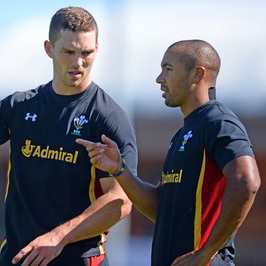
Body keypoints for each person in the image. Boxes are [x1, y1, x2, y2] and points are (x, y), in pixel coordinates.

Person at [0, 6, 138, 266]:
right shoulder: (20, 106)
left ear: (97, 49)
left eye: (86, 53)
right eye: (69, 52)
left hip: (78, 259)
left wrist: (58, 238)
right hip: (18, 258)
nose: (78, 62)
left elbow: (120, 202)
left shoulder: (109, 117)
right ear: (49, 49)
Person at [76, 39, 261, 266]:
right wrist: (119, 169)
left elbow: (246, 181)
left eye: (168, 69)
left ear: (197, 74)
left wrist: (206, 252)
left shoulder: (219, 122)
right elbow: (160, 209)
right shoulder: (184, 133)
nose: (159, 79)